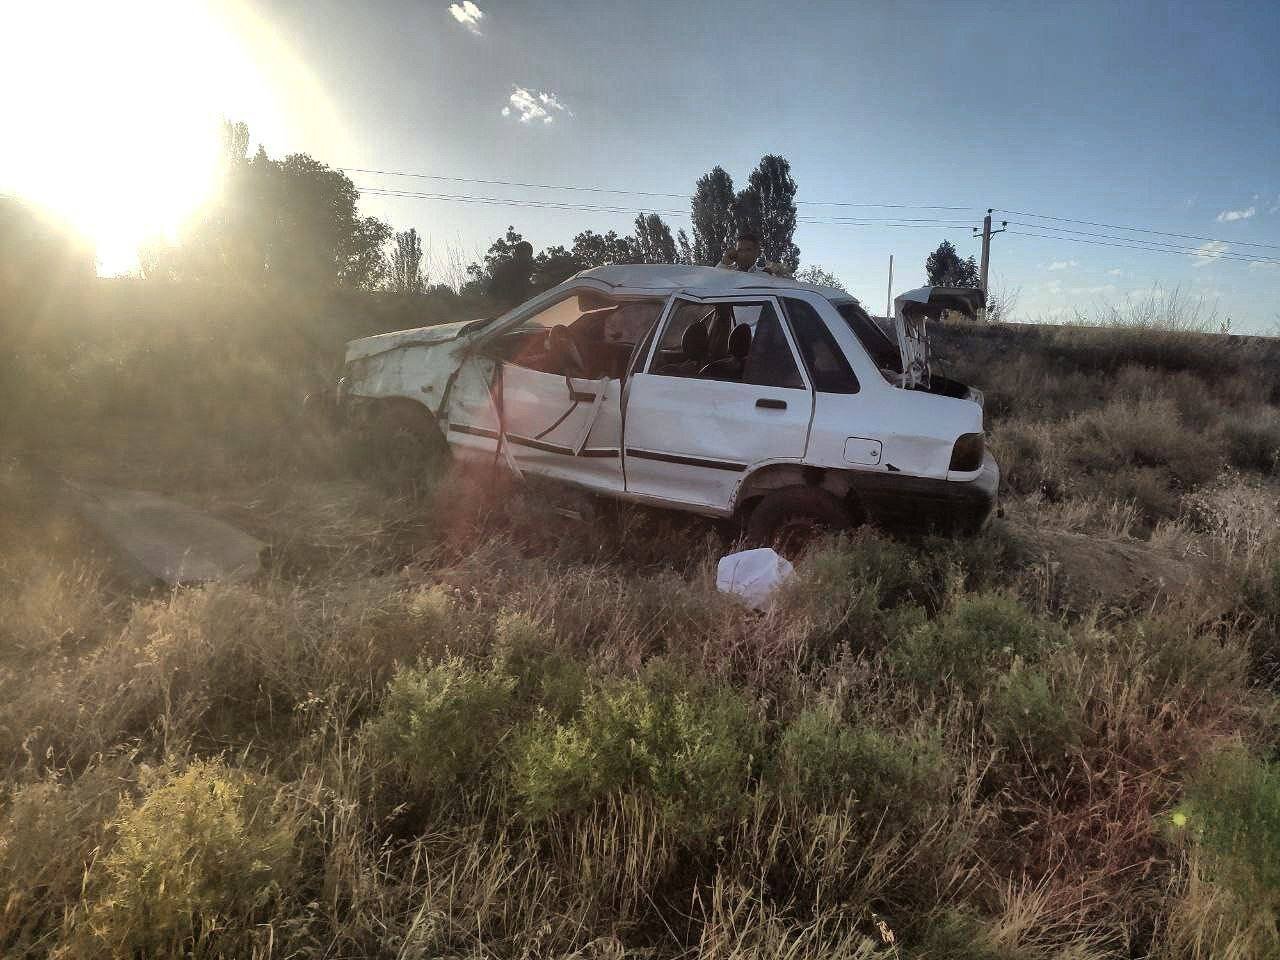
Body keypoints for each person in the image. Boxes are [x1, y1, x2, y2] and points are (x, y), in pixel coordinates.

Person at [716, 231, 791, 276]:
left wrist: (780, 271)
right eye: (740, 250)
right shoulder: (726, 272)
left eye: (748, 250)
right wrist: (724, 263)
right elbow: (711, 283)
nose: (743, 254)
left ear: (757, 253)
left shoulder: (765, 276)